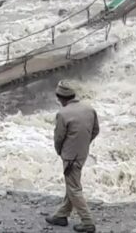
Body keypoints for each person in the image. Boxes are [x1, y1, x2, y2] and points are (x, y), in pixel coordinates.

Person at [45, 80, 100, 232]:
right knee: (72, 183)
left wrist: (60, 151)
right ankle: (61, 215)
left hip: (70, 156)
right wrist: (84, 143)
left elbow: (58, 138)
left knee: (74, 188)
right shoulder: (89, 108)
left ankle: (87, 221)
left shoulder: (63, 114)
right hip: (82, 153)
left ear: (60, 98)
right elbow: (96, 130)